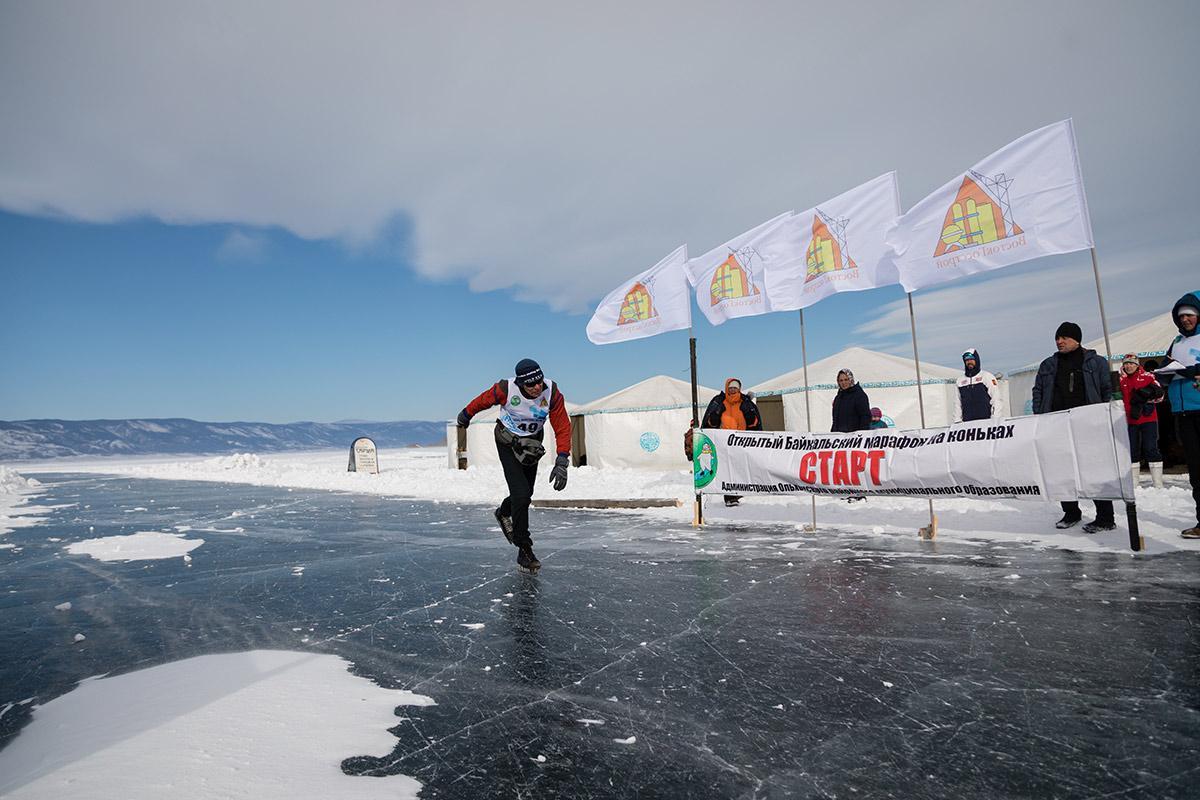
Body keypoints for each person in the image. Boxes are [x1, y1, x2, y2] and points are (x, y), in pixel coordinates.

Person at [456, 358, 570, 573]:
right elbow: (483, 400)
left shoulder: (551, 392)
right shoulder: (505, 389)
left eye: (539, 382)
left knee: (526, 493)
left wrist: (562, 459)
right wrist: (466, 414)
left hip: (532, 443)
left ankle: (504, 512)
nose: (537, 387)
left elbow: (562, 425)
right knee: (521, 495)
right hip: (507, 441)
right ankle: (524, 549)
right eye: (531, 384)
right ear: (520, 384)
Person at [1031, 322, 1117, 533]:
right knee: (1061, 471)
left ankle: (1106, 517)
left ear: (1077, 339)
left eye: (1064, 338)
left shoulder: (1095, 362)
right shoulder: (1049, 364)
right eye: (1057, 338)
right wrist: (1039, 412)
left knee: (1095, 469)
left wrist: (1106, 415)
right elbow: (1038, 389)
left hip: (1088, 422)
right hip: (1056, 422)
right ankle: (1071, 512)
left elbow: (1107, 389)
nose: (1059, 341)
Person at [1160, 292, 1200, 538]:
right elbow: (1164, 366)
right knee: (1196, 470)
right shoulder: (1176, 343)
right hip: (1183, 412)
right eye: (1181, 315)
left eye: (1190, 315)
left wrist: (1191, 371)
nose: (1185, 319)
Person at [702, 377, 762, 506]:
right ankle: (730, 497)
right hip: (724, 442)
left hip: (743, 441)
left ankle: (740, 490)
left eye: (735, 387)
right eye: (730, 388)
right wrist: (715, 415)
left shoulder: (746, 402)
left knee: (741, 466)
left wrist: (750, 415)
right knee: (727, 468)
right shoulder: (719, 402)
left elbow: (755, 424)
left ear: (739, 389)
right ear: (726, 388)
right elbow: (710, 424)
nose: (733, 390)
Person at [1118, 353, 1164, 489]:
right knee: (1132, 450)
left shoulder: (1148, 377)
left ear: (1137, 365)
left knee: (1151, 448)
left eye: (1131, 363)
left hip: (1148, 418)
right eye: (1126, 363)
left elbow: (1160, 396)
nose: (1128, 366)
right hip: (1129, 421)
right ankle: (1134, 484)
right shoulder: (1121, 380)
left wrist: (1147, 398)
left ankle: (1158, 483)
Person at [954, 348, 1004, 422]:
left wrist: (995, 418)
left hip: (986, 421)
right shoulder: (960, 381)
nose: (969, 362)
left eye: (971, 359)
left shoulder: (986, 376)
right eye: (967, 360)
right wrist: (957, 421)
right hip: (967, 423)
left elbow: (996, 399)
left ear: (976, 360)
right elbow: (957, 403)